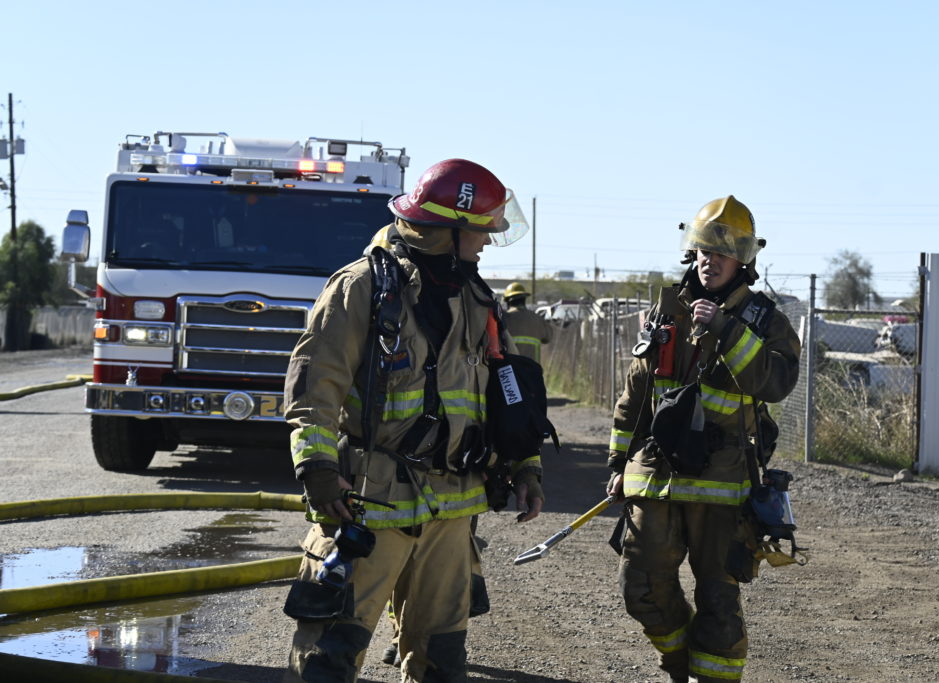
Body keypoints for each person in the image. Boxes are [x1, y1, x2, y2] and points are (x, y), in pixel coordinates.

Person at [282, 158, 544, 683]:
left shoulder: (478, 299)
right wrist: (316, 467)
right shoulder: (362, 288)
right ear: (448, 231)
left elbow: (506, 396)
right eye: (480, 231)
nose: (487, 242)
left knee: (441, 660)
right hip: (369, 504)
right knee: (329, 654)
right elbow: (315, 387)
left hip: (452, 511)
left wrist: (525, 465)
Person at [606, 195, 800, 682]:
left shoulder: (764, 320)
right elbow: (638, 390)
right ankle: (680, 664)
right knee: (640, 587)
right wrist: (618, 462)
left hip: (723, 483)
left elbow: (777, 383)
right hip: (657, 476)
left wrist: (726, 330)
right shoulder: (667, 309)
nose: (708, 261)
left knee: (718, 599)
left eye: (721, 253)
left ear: (743, 261)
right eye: (703, 251)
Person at [501, 282, 553, 364]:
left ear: (508, 301)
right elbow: (548, 337)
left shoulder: (504, 320)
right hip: (533, 369)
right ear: (524, 299)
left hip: (511, 369)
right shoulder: (537, 319)